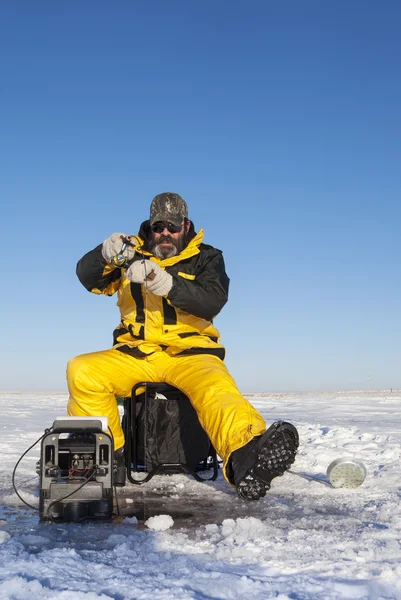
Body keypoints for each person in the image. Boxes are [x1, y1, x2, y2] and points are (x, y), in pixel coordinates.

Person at [67, 192, 299, 499]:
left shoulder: (208, 258)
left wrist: (167, 284)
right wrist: (104, 254)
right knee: (82, 370)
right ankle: (107, 460)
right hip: (136, 354)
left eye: (172, 226)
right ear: (149, 228)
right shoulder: (130, 255)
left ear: (185, 226)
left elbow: (212, 300)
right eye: (158, 226)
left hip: (191, 355)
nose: (165, 233)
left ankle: (247, 458)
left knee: (216, 389)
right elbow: (89, 278)